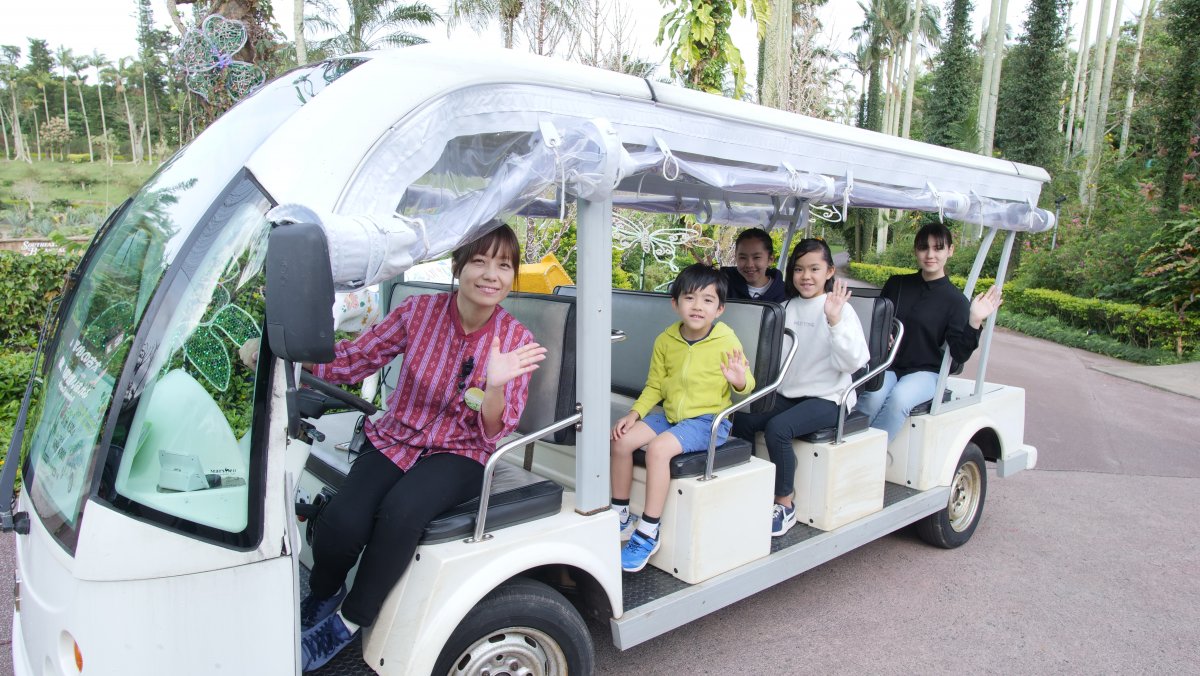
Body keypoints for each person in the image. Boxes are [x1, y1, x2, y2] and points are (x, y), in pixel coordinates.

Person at [297, 223, 546, 671]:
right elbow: (357, 357)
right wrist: (290, 356)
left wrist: (494, 384)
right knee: (342, 521)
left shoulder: (515, 341)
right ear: (458, 266)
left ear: (512, 276)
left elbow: (493, 431)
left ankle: (349, 622)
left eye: (504, 266)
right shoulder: (418, 313)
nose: (491, 275)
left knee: (402, 512)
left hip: (461, 452)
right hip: (396, 436)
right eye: (480, 261)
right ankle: (323, 592)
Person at [610, 263, 755, 573]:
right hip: (672, 415)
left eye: (707, 300)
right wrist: (635, 414)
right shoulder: (666, 341)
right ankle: (621, 514)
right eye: (690, 298)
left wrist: (739, 379)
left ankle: (649, 530)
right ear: (675, 303)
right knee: (622, 441)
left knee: (659, 449)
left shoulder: (727, 341)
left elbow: (748, 386)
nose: (698, 306)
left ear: (720, 309)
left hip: (708, 421)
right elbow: (654, 386)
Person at [731, 238, 869, 537]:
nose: (806, 276)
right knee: (742, 418)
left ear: (829, 271)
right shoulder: (785, 307)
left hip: (829, 397)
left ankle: (784, 502)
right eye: (799, 269)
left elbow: (853, 362)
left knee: (778, 429)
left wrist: (833, 321)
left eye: (814, 269)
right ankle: (751, 484)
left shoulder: (840, 310)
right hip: (788, 393)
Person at [853, 222, 1002, 442]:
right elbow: (877, 323)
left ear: (950, 251)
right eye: (924, 248)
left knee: (899, 400)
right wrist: (883, 335)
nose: (930, 255)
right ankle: (852, 449)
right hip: (889, 365)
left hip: (926, 372)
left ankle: (869, 458)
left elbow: (960, 354)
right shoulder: (898, 285)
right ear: (916, 250)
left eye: (938, 248)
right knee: (872, 397)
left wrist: (975, 320)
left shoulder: (955, 301)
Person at [721, 228, 787, 302]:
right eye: (743, 258)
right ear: (736, 257)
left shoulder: (785, 294)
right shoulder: (721, 285)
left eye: (756, 257)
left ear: (770, 260)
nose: (749, 264)